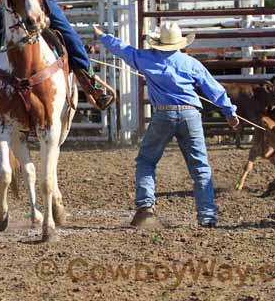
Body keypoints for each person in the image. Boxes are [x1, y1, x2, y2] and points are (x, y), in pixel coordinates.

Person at [93, 22, 240, 228]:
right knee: (200, 167)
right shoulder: (191, 63)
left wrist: (103, 36)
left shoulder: (145, 58)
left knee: (146, 160)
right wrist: (229, 113)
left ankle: (145, 207)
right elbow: (214, 89)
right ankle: (207, 216)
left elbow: (123, 50)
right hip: (191, 115)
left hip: (163, 114)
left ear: (159, 42)